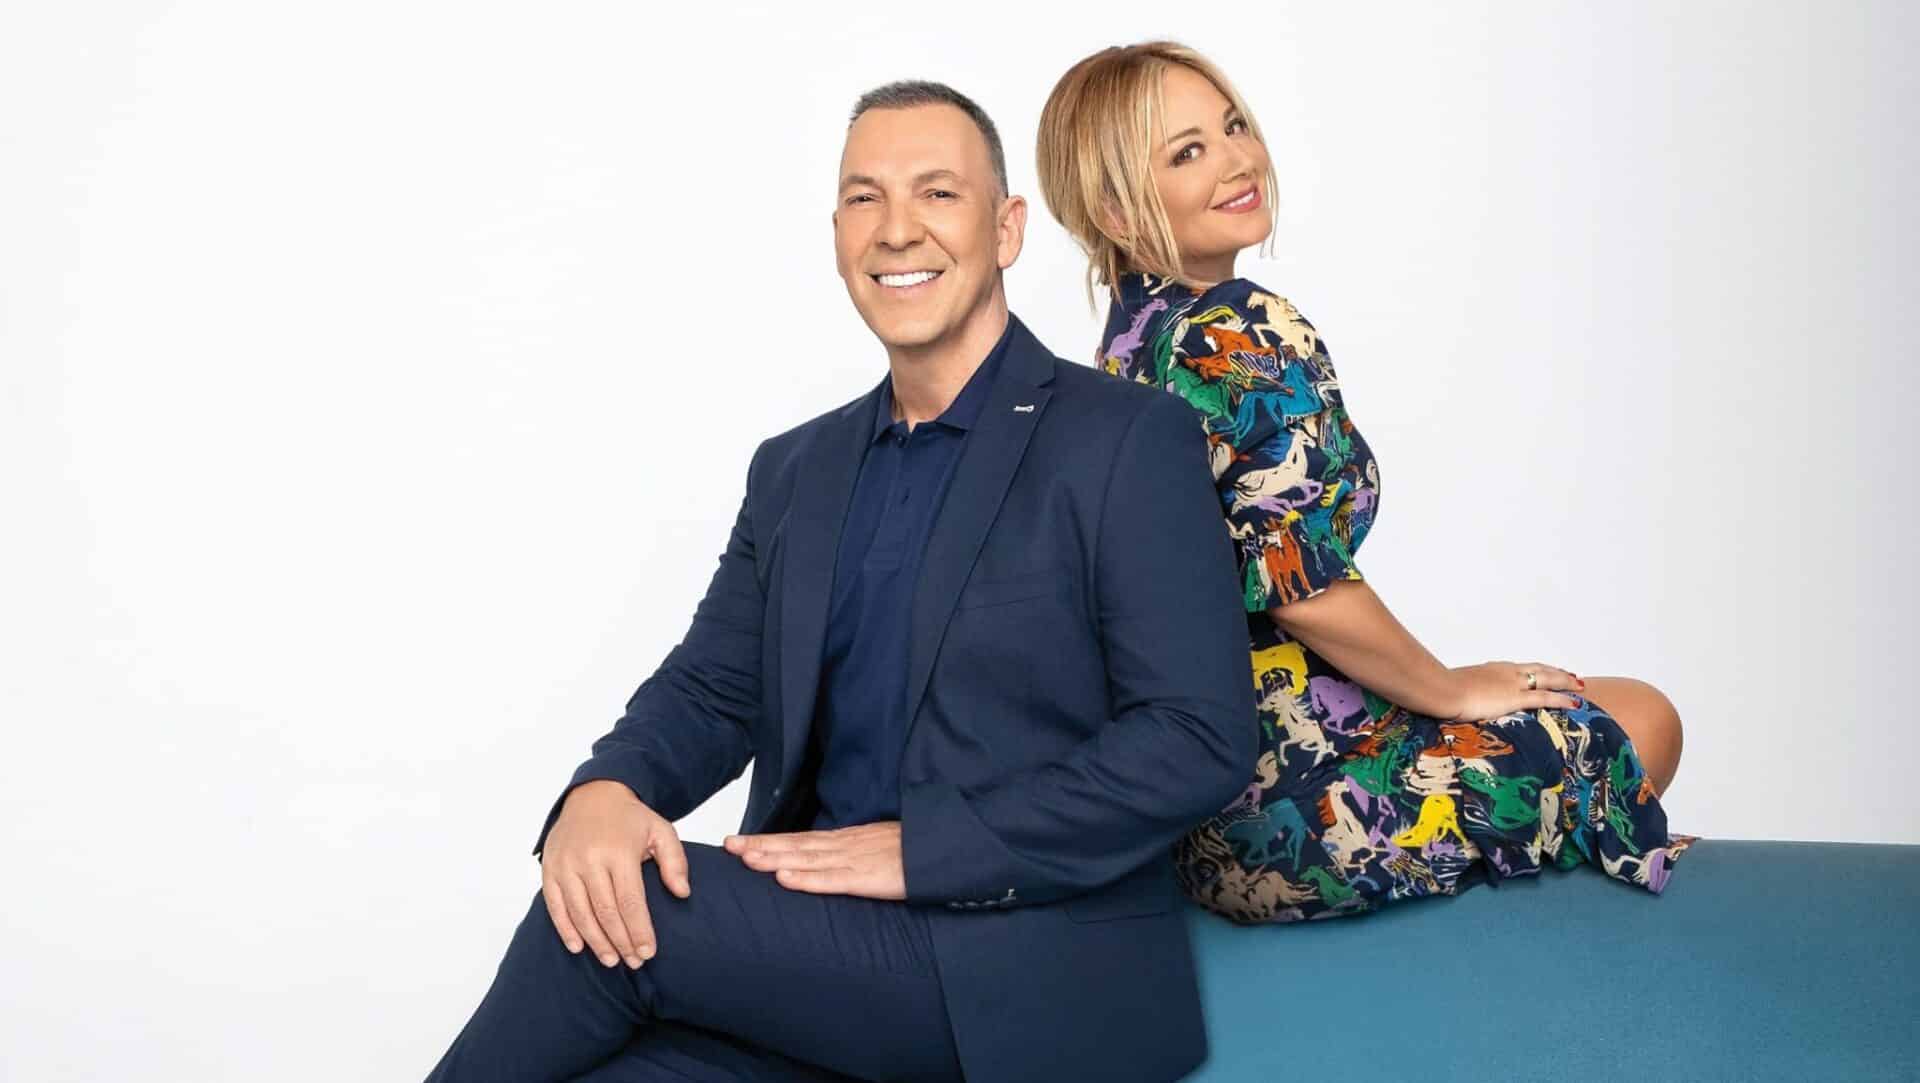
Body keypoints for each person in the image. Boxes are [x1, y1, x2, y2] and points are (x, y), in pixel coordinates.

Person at [423, 79, 1258, 1082]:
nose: (897, 229)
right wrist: (608, 787)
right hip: (823, 958)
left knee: (605, 917)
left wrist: (925, 849)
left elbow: (1197, 735)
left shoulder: (1125, 438)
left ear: (1006, 229)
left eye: (937, 193)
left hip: (1020, 964)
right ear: (836, 236)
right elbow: (713, 688)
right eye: (866, 198)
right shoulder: (796, 469)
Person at [1033, 41, 1692, 925]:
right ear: (1115, 208)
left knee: (1585, 715)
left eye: (1233, 126)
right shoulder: (1239, 331)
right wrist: (1451, 689)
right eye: (1187, 151)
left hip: (1193, 817)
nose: (1236, 158)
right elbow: (1299, 587)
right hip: (1303, 809)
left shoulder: (1123, 351)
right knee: (1643, 720)